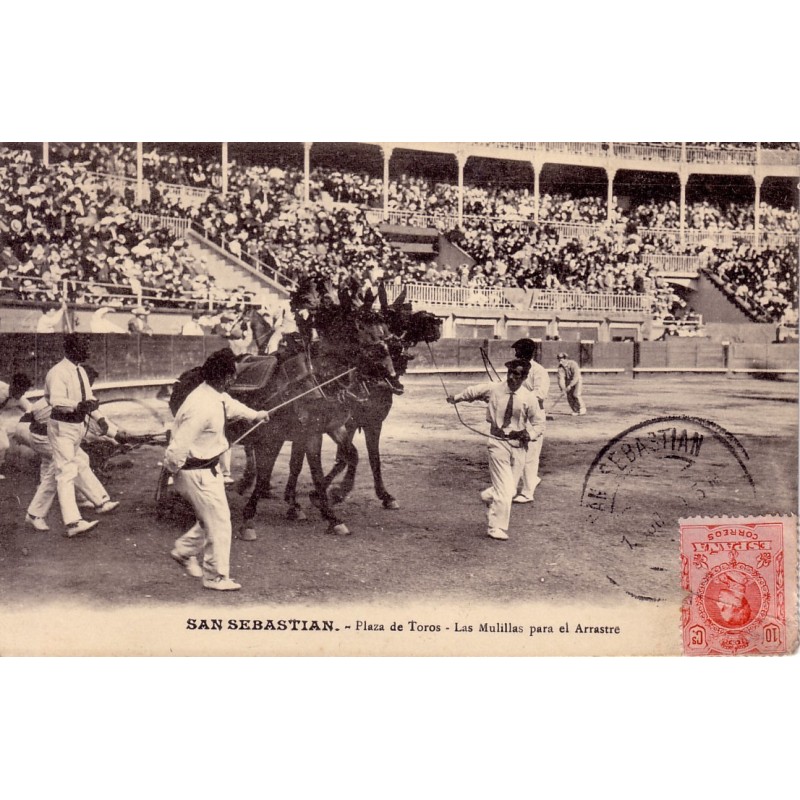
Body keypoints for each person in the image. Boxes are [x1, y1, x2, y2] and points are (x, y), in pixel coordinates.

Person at [164, 348, 269, 591]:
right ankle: (215, 576)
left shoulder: (214, 394)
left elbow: (231, 406)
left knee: (210, 518)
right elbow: (178, 447)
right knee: (220, 523)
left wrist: (256, 415)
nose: (234, 380)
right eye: (232, 376)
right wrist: (174, 473)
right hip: (195, 472)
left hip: (206, 471)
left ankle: (183, 551)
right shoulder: (201, 406)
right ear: (224, 377)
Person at [447, 359, 545, 541]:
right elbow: (473, 391)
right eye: (509, 372)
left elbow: (539, 424)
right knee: (506, 490)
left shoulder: (529, 398)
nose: (511, 377)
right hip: (497, 443)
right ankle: (496, 527)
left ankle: (489, 494)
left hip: (518, 446)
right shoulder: (495, 389)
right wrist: (457, 398)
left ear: (524, 377)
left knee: (510, 490)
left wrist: (529, 435)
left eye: (517, 374)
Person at [22, 374, 126, 532]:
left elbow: (95, 419)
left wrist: (114, 433)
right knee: (72, 465)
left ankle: (35, 514)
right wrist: (115, 436)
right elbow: (89, 425)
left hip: (51, 435)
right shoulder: (60, 400)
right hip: (40, 436)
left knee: (60, 469)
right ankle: (76, 519)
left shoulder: (75, 394)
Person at [44, 334, 118, 536]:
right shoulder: (58, 372)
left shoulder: (80, 371)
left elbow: (89, 398)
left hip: (75, 427)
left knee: (79, 462)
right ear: (71, 349)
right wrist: (79, 405)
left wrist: (100, 419)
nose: (88, 350)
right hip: (62, 427)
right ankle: (72, 523)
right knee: (66, 472)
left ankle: (100, 501)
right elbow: (56, 401)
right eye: (83, 346)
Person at [510, 339, 550, 504]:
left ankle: (527, 493)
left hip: (533, 417)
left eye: (518, 351)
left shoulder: (539, 371)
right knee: (516, 453)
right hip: (518, 416)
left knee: (531, 455)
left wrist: (520, 397)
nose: (515, 354)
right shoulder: (515, 368)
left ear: (527, 352)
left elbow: (540, 393)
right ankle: (515, 486)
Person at [0, 373, 34, 479]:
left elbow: (30, 408)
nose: (22, 394)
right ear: (13, 386)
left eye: (24, 392)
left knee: (4, 444)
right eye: (21, 391)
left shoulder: (19, 398)